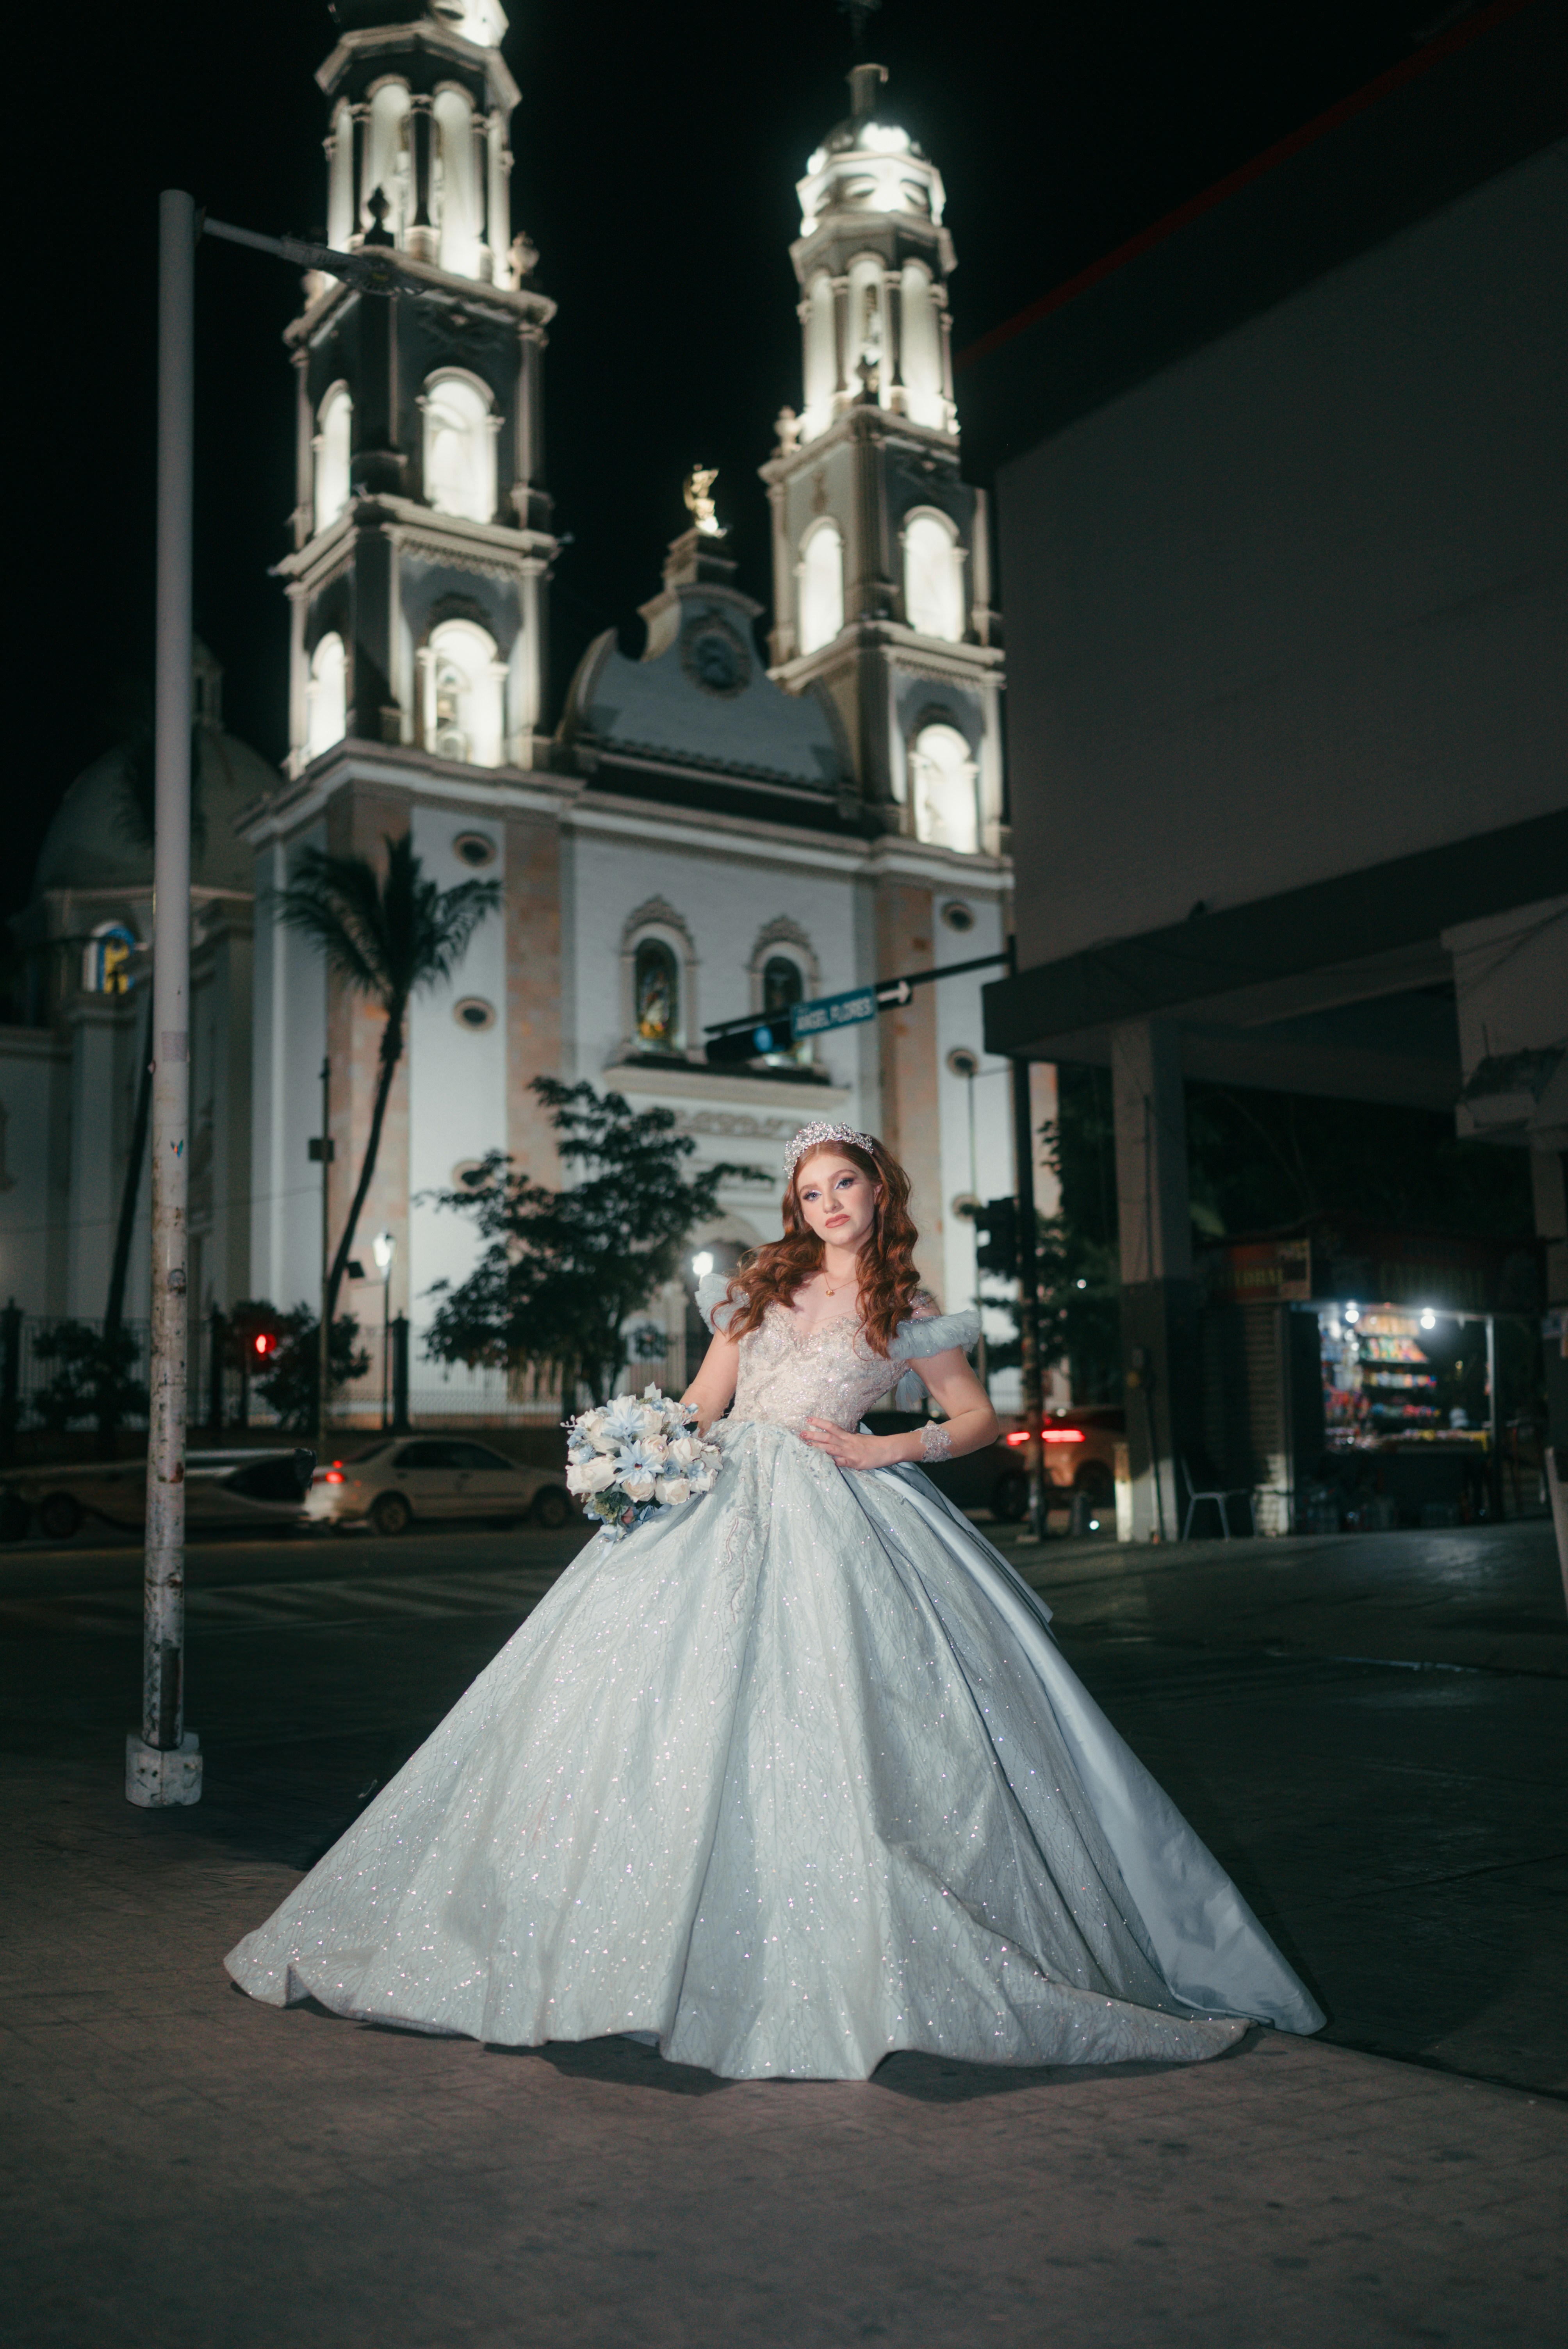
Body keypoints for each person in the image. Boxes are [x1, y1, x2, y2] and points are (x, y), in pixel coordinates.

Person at [226, 1121, 1323, 2077]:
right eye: (810, 1192)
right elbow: (707, 1398)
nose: (828, 1204)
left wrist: (888, 1446)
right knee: (635, 1708)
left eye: (844, 1184)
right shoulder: (754, 1284)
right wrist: (641, 1458)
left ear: (878, 1190)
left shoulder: (914, 1305)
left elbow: (981, 1422)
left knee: (848, 1712)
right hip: (719, 1497)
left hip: (841, 1501)